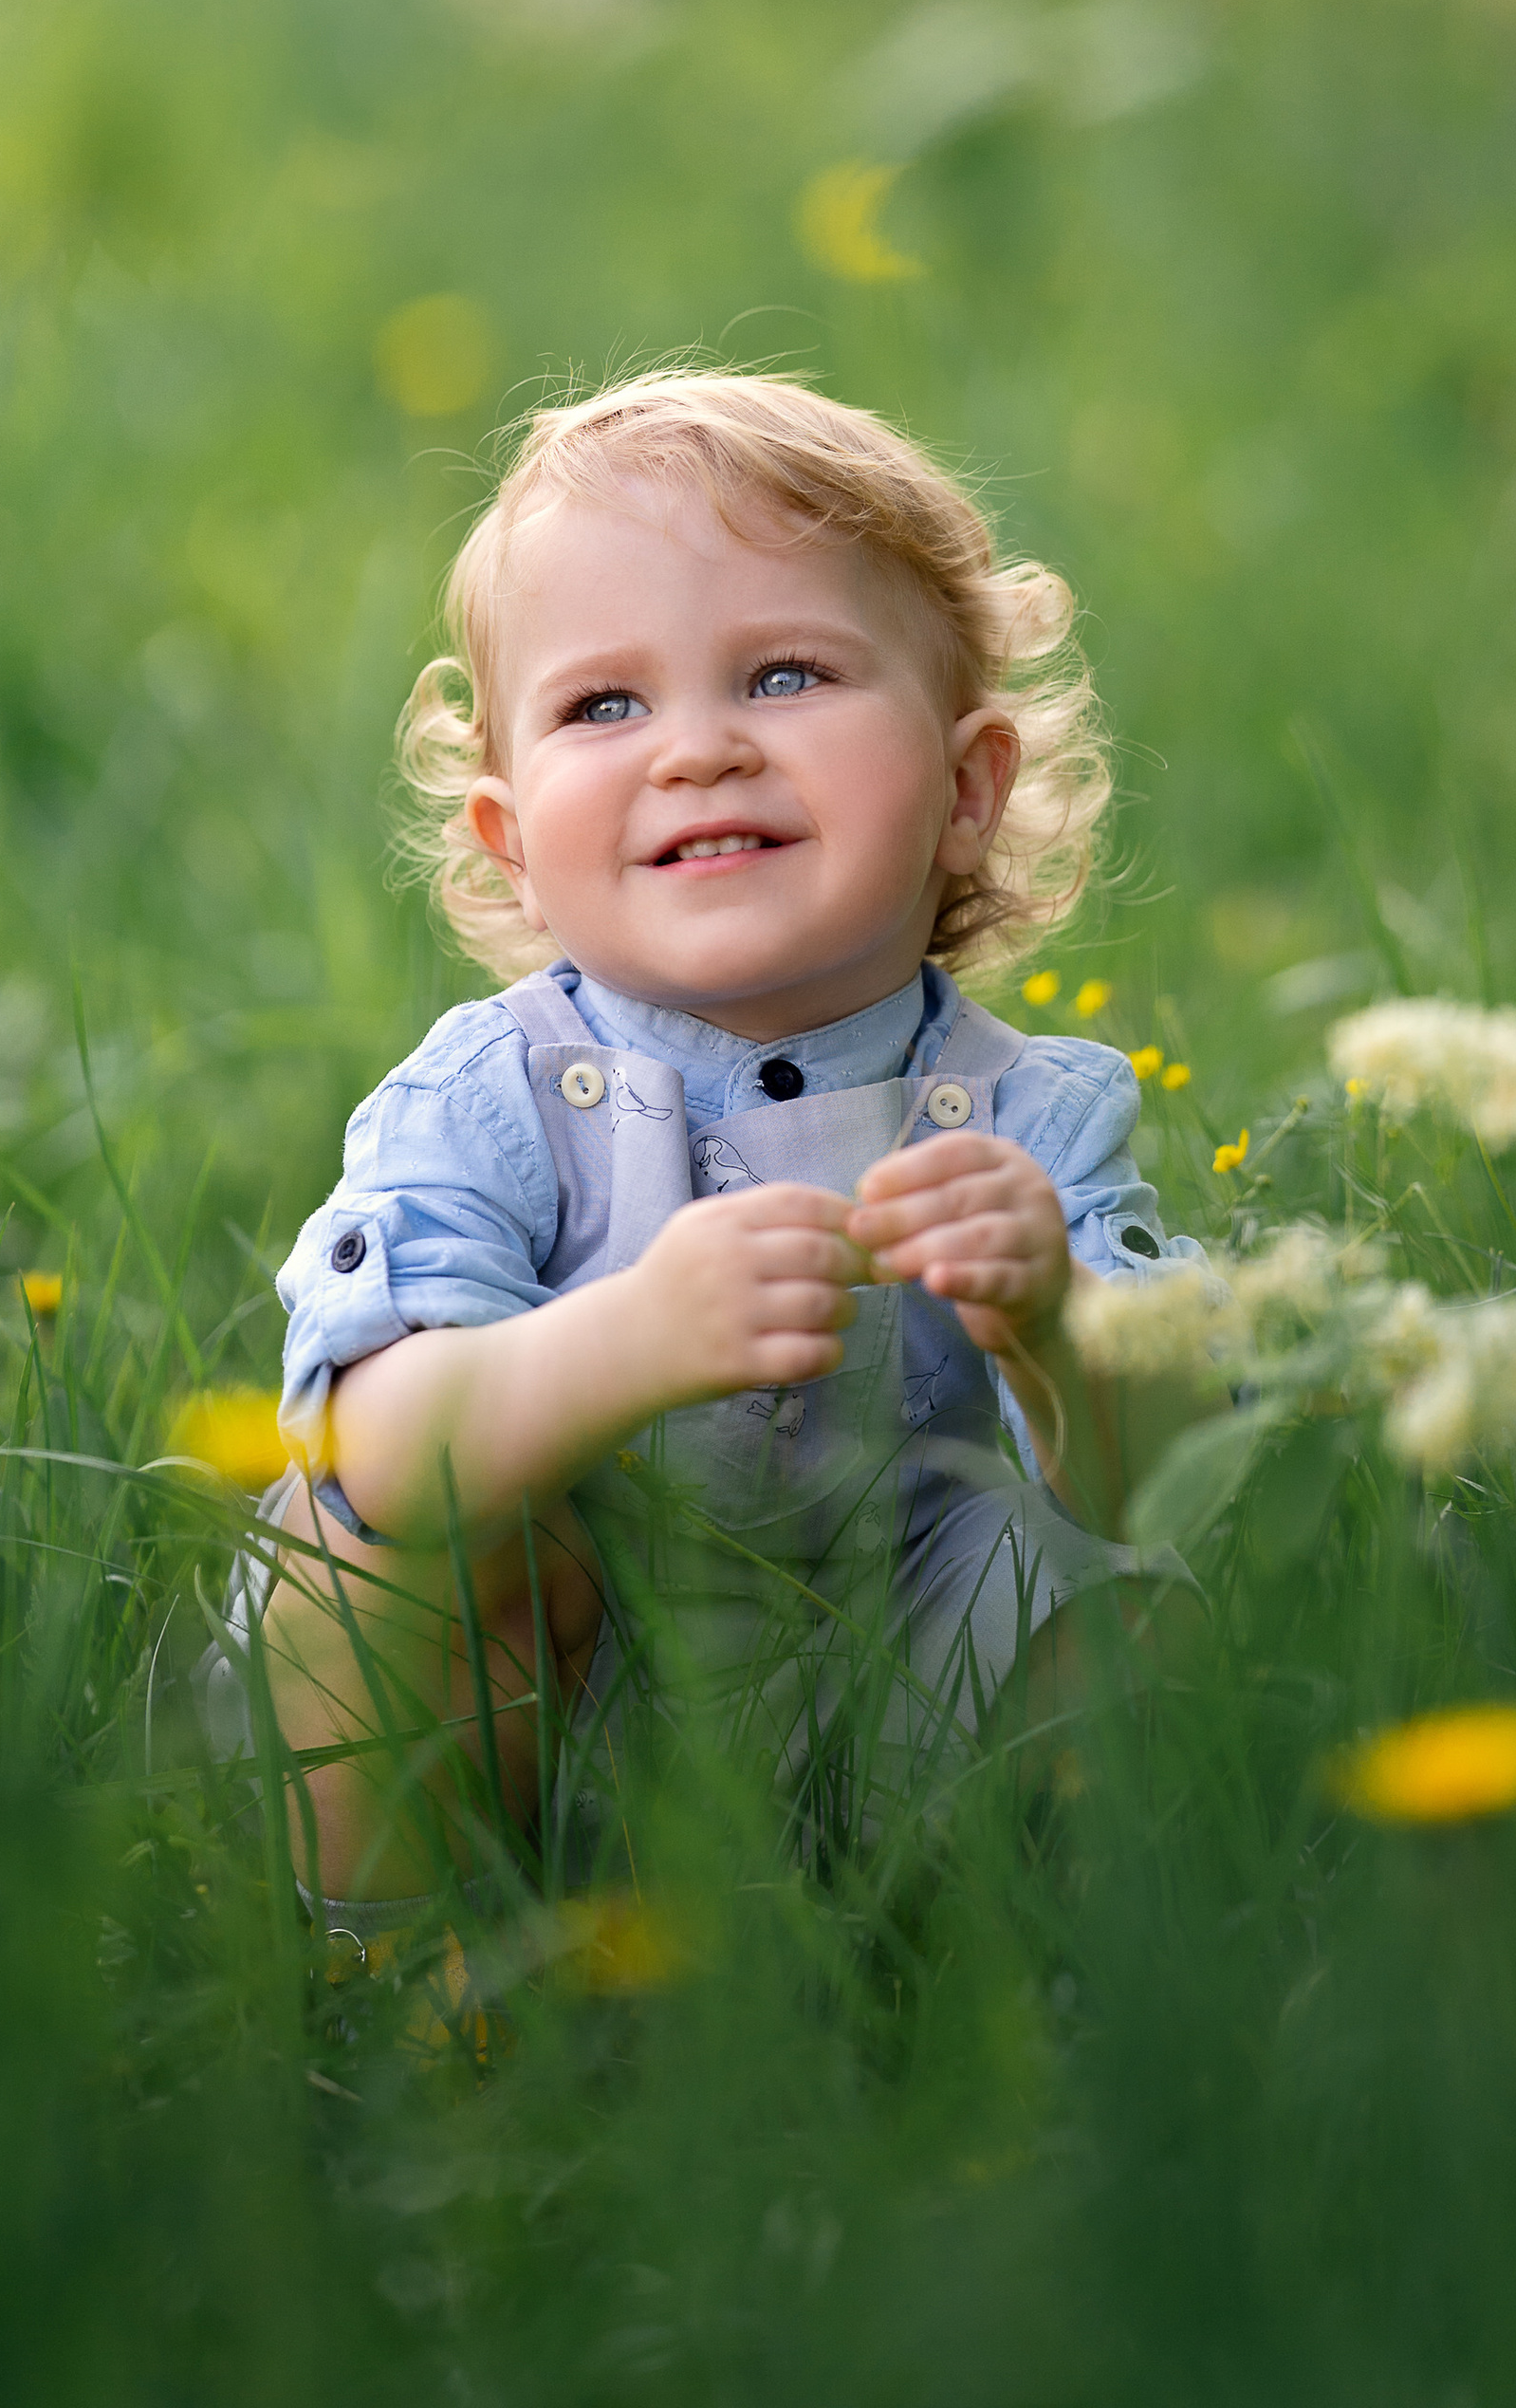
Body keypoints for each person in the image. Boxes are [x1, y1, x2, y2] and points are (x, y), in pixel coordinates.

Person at [247, 367, 1206, 1953]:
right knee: (363, 1549)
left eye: (784, 675)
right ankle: (407, 1983)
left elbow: (1174, 1481)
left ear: (968, 789)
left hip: (912, 1718)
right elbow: (375, 1452)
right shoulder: (489, 1101)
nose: (694, 750)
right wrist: (627, 1339)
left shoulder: (1032, 1121)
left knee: (1133, 1585)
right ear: (511, 839)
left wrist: (1055, 1327)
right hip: (561, 1733)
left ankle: (1027, 1971)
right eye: (603, 706)